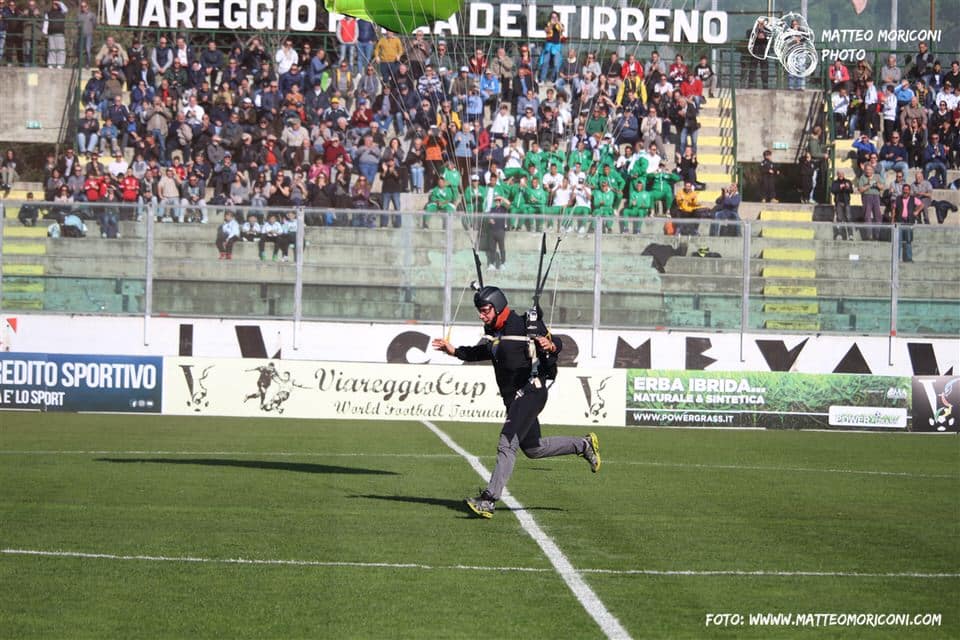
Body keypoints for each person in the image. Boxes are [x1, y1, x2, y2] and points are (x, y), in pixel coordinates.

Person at [430, 286, 600, 519]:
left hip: (532, 391)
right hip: (513, 399)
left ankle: (488, 500)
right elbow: (481, 352)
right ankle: (583, 445)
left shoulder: (525, 323)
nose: (482, 315)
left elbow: (557, 342)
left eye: (485, 310)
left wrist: (550, 346)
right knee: (534, 448)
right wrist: (454, 351)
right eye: (480, 311)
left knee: (507, 442)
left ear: (498, 306)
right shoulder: (494, 331)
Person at [892, 184, 922, 262]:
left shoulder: (913, 198)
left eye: (907, 190)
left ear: (909, 191)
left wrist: (917, 211)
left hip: (909, 222)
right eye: (904, 189)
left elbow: (921, 205)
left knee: (908, 240)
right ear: (902, 190)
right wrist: (892, 220)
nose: (905, 191)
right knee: (898, 241)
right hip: (900, 222)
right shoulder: (898, 198)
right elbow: (894, 209)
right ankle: (897, 259)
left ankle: (909, 258)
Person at [856, 163, 884, 240]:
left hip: (876, 197)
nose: (868, 171)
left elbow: (882, 187)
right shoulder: (862, 177)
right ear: (865, 170)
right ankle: (869, 235)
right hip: (866, 197)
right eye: (867, 170)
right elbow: (860, 189)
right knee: (867, 216)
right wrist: (869, 184)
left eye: (870, 170)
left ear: (873, 170)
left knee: (878, 216)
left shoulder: (877, 176)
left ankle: (877, 235)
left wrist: (877, 183)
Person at [830, 170, 854, 240]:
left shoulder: (848, 181)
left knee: (849, 218)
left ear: (844, 174)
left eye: (842, 173)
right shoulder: (835, 182)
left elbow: (851, 191)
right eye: (839, 174)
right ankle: (839, 234)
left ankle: (850, 235)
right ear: (837, 175)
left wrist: (847, 187)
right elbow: (832, 190)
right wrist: (839, 187)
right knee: (839, 219)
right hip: (838, 203)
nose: (840, 175)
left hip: (846, 202)